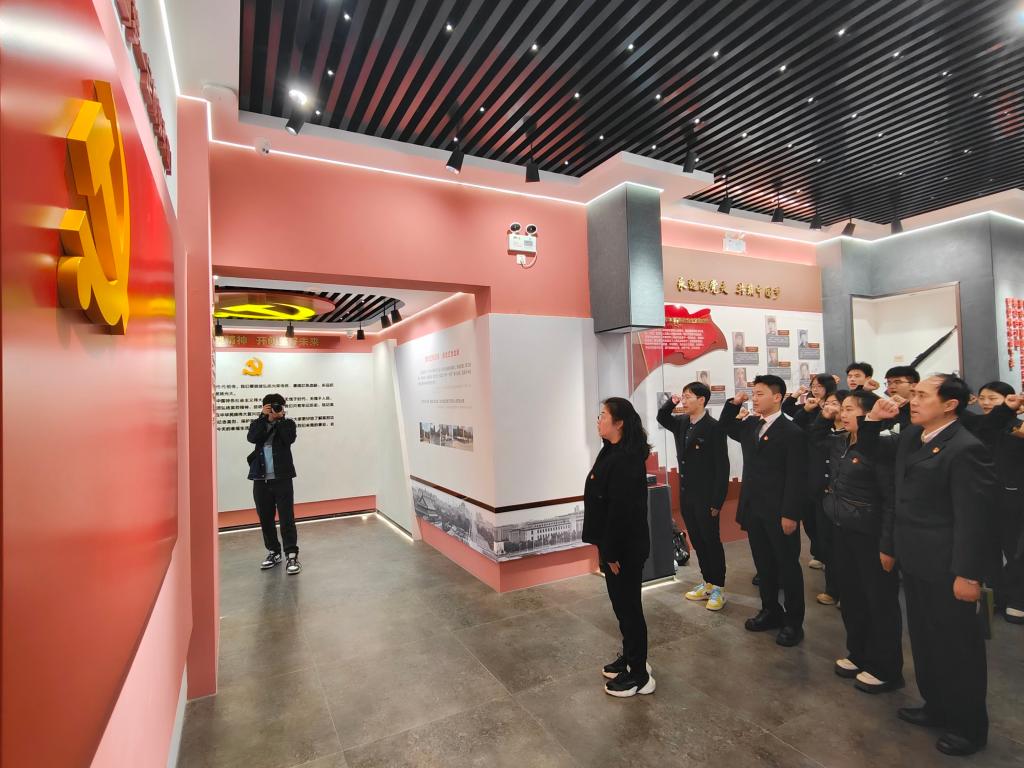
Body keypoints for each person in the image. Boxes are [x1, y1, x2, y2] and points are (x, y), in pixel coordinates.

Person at [863, 376, 997, 756]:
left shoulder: (965, 448)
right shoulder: (913, 435)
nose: (913, 400)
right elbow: (875, 456)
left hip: (948, 566)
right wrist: (872, 421)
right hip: (915, 558)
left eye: (922, 395)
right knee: (925, 640)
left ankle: (969, 727)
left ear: (950, 404)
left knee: (958, 648)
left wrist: (968, 574)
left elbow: (974, 518)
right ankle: (936, 705)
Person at [814, 390, 904, 693]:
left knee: (879, 601)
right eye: (842, 408)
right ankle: (859, 653)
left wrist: (888, 544)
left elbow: (891, 499)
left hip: (871, 534)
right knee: (852, 597)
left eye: (850, 409)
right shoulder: (840, 441)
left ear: (869, 414)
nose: (843, 413)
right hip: (843, 529)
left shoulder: (883, 445)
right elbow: (812, 439)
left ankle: (886, 668)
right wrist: (823, 416)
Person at [722, 375, 808, 647]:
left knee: (787, 567)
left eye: (760, 393)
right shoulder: (751, 425)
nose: (754, 398)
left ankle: (794, 622)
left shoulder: (792, 432)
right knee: (764, 565)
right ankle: (770, 610)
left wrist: (790, 514)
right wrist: (733, 404)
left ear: (777, 397)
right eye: (753, 393)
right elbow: (726, 426)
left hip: (779, 511)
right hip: (754, 508)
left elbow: (796, 477)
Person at [583, 398, 655, 698]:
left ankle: (639, 675)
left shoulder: (626, 460)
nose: (598, 420)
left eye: (603, 415)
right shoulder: (611, 450)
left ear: (619, 422)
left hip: (624, 548)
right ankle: (630, 657)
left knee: (629, 609)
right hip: (613, 544)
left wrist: (611, 553)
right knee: (622, 607)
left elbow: (621, 512)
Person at [657, 382, 730, 611]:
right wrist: (672, 402)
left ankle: (718, 588)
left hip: (706, 497)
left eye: (688, 396)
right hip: (687, 494)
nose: (685, 400)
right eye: (683, 396)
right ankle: (707, 582)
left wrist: (717, 501)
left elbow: (722, 468)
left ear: (702, 400)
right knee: (697, 540)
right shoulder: (682, 423)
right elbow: (662, 417)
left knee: (711, 541)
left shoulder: (714, 427)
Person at [974, 382, 1024, 625]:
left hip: (1013, 498)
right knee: (987, 551)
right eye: (982, 397)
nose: (986, 402)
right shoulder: (979, 425)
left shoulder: (1017, 427)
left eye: (992, 398)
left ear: (1008, 400)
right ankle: (995, 595)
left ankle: (1018, 599)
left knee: (1015, 551)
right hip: (983, 498)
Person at [247, 393, 301, 574]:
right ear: (265, 408)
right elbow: (252, 438)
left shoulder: (288, 424)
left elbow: (289, 439)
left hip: (282, 478)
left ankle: (291, 554)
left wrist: (279, 419)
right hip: (260, 479)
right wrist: (264, 418)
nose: (276, 409)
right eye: (272, 407)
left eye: (280, 406)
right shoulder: (258, 424)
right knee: (265, 518)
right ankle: (274, 552)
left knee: (287, 518)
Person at [882, 366, 918, 431]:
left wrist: (906, 405)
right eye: (889, 383)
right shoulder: (888, 409)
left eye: (897, 382)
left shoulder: (922, 408)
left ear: (913, 385)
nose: (891, 386)